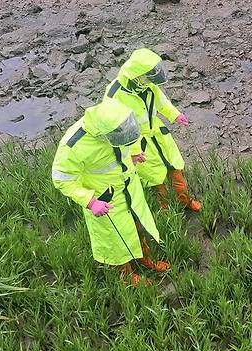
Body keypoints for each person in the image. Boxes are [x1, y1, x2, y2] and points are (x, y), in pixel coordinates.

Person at [51, 98, 170, 287]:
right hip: (105, 201)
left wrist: (133, 153)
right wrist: (90, 202)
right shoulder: (73, 145)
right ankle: (127, 277)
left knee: (137, 227)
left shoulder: (119, 120)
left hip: (130, 190)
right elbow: (62, 179)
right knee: (115, 240)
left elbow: (127, 138)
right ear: (104, 133)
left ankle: (145, 260)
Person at [104, 48, 201, 212]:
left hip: (158, 135)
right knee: (155, 179)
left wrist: (175, 115)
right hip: (139, 144)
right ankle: (165, 210)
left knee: (174, 168)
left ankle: (186, 201)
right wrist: (134, 151)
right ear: (139, 75)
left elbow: (161, 102)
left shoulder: (148, 84)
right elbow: (117, 129)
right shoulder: (115, 95)